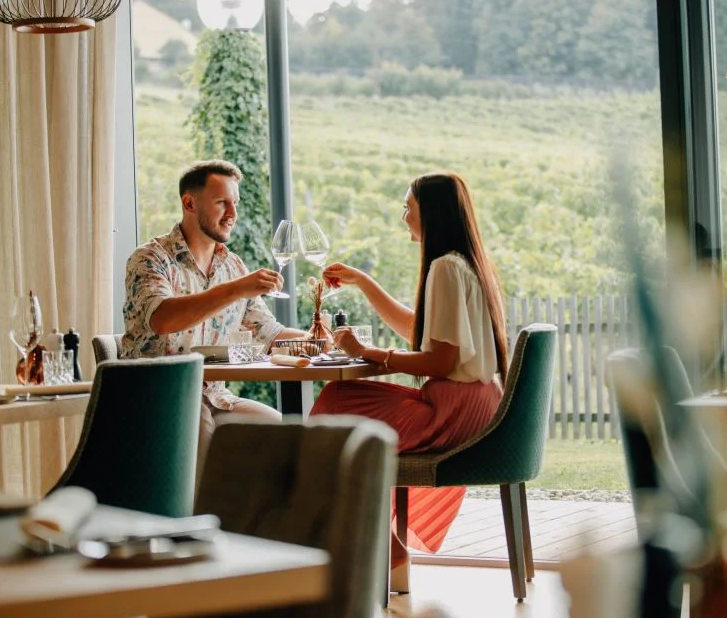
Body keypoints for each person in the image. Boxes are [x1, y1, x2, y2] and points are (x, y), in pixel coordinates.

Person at [310, 171, 509, 591]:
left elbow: (439, 361)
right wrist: (364, 283)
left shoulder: (445, 268)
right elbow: (420, 334)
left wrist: (368, 353)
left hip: (451, 411)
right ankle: (383, 549)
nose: (403, 216)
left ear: (430, 212)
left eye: (408, 207)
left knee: (335, 405)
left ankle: (368, 547)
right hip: (476, 404)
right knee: (341, 402)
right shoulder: (464, 264)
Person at [121, 159, 307, 477]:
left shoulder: (232, 266)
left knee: (290, 439)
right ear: (189, 203)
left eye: (235, 203)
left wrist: (319, 339)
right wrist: (235, 290)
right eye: (222, 202)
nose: (233, 213)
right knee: (198, 425)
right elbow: (163, 318)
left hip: (216, 397)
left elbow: (269, 333)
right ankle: (193, 512)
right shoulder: (150, 259)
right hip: (157, 397)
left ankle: (259, 512)